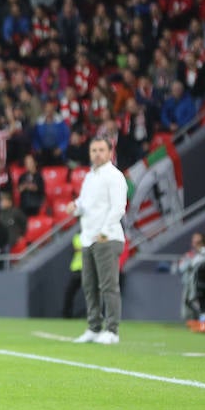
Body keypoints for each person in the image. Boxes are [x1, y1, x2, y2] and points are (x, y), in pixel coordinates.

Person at [69, 137, 129, 344]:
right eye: (93, 150)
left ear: (110, 152)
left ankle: (112, 330)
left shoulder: (114, 176)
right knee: (89, 285)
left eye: (101, 150)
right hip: (88, 238)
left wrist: (105, 230)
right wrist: (75, 206)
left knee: (108, 285)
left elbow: (119, 207)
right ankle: (94, 327)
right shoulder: (90, 177)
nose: (97, 154)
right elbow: (85, 203)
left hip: (107, 238)